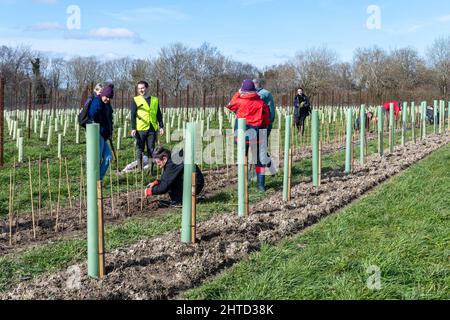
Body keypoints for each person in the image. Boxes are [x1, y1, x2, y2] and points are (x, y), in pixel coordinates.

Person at [227, 79, 270, 192]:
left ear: (244, 90)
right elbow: (266, 120)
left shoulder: (240, 101)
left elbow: (229, 105)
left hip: (242, 137)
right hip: (257, 137)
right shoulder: (261, 103)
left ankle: (242, 184)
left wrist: (238, 92)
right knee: (260, 161)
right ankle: (261, 186)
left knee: (242, 160)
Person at [130, 80, 164, 173]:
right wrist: (133, 128)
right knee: (140, 149)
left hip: (152, 128)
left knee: (151, 150)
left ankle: (150, 170)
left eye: (142, 88)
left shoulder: (154, 100)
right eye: (139, 88)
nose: (141, 90)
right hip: (140, 128)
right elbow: (132, 115)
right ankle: (140, 170)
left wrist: (161, 126)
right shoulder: (135, 100)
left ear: (146, 88)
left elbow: (158, 114)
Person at [88, 84, 114, 181]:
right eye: (106, 96)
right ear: (102, 94)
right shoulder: (97, 102)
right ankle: (94, 181)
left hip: (104, 135)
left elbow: (109, 119)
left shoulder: (107, 105)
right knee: (97, 159)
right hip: (97, 134)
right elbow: (91, 115)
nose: (107, 99)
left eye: (109, 97)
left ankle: (99, 179)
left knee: (108, 157)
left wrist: (110, 132)